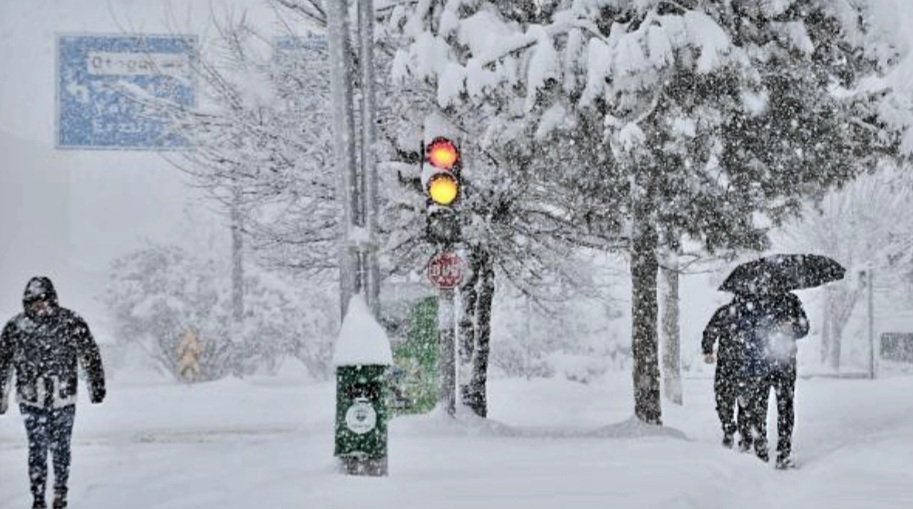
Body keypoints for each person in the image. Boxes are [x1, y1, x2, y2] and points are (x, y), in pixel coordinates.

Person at [0, 277, 106, 509]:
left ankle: (60, 492)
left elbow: (90, 354)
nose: (41, 306)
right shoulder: (16, 327)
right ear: (27, 302)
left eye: (44, 300)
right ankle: (38, 498)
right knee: (37, 449)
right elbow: (2, 362)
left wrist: (96, 386)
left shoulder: (70, 322)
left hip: (63, 397)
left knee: (61, 448)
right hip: (31, 400)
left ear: (53, 299)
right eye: (35, 301)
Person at [738, 291, 808, 469]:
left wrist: (791, 328)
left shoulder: (792, 300)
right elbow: (745, 329)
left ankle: (783, 454)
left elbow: (804, 327)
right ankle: (761, 451)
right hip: (761, 364)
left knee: (785, 409)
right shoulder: (754, 301)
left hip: (785, 365)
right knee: (759, 409)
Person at [702, 295, 751, 450]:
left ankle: (730, 429)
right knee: (745, 402)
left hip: (728, 365)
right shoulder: (752, 314)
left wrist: (708, 350)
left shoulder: (725, 312)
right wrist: (708, 349)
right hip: (745, 366)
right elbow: (710, 331)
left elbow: (710, 331)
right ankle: (742, 435)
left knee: (725, 399)